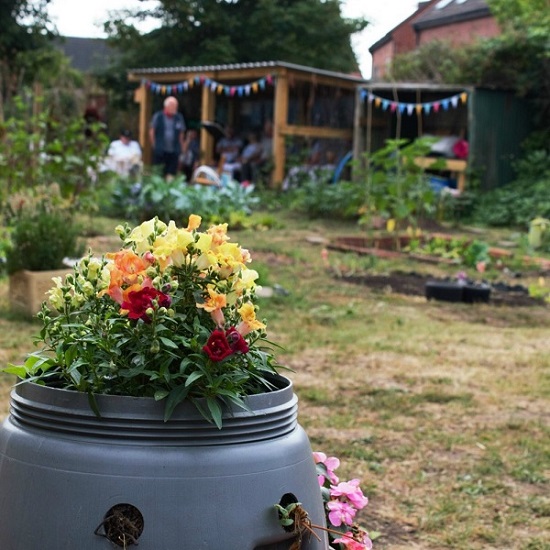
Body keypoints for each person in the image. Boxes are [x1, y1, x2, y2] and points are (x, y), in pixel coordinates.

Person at [149, 96, 186, 178]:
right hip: (160, 150)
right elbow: (152, 131)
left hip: (174, 150)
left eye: (176, 106)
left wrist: (182, 147)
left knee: (171, 173)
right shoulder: (158, 116)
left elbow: (181, 133)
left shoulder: (179, 117)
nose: (175, 108)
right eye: (174, 106)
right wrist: (154, 145)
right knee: (159, 172)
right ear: (167, 106)